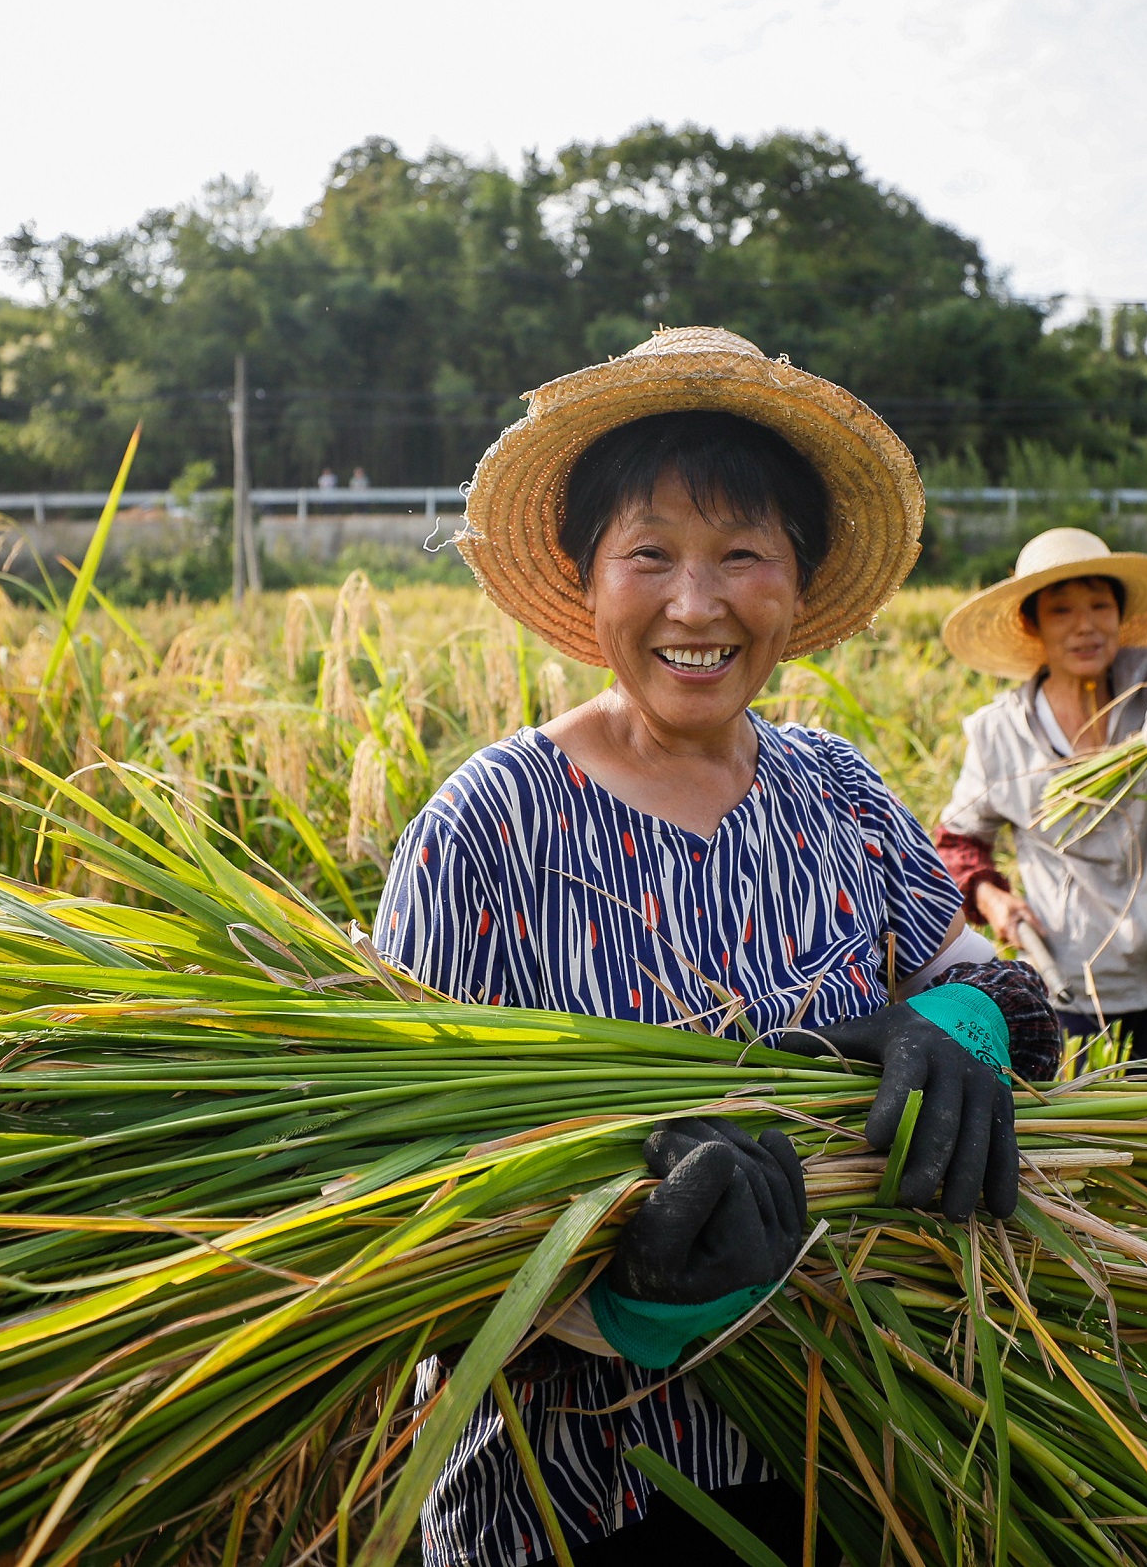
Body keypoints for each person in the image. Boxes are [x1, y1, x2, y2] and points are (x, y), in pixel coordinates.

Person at [374, 326, 1060, 1566]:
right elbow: (395, 1195)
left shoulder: (835, 788)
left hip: (840, 1451)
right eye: (650, 554)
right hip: (566, 1496)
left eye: (743, 555)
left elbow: (959, 967)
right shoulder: (490, 827)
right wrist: (617, 1302)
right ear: (588, 583)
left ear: (796, 592)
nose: (697, 603)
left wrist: (960, 1029)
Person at [934, 528, 1147, 1063]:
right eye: (1062, 610)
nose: (1085, 625)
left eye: (1099, 605)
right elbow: (957, 840)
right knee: (1075, 1127)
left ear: (1119, 615)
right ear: (1033, 624)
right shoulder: (1001, 731)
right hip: (1067, 970)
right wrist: (992, 897)